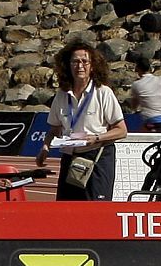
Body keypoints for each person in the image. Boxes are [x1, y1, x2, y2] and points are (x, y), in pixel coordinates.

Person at [33, 40, 127, 201]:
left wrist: (95, 138)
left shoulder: (103, 93)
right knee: (67, 209)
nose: (80, 66)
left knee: (96, 210)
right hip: (70, 157)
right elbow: (55, 130)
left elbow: (121, 130)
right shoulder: (61, 95)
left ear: (93, 66)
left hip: (97, 156)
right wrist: (45, 148)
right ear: (67, 65)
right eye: (75, 61)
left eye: (85, 61)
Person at [128, 58, 161, 133]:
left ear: (137, 68)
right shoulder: (160, 79)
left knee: (140, 140)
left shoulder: (136, 85)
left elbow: (134, 106)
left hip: (151, 119)